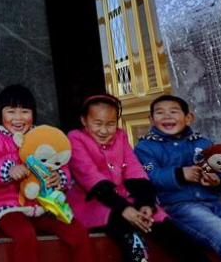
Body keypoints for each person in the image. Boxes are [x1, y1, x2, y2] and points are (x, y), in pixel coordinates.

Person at [67, 94, 211, 262]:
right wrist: (125, 209)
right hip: (93, 201)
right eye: (97, 123)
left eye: (110, 124)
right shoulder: (75, 138)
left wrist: (146, 203)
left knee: (165, 226)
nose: (104, 130)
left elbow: (134, 170)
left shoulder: (120, 137)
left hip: (125, 198)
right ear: (84, 120)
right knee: (126, 231)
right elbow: (89, 176)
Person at [0, 84, 95, 262]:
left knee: (78, 231)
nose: (18, 118)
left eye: (25, 111)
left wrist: (59, 178)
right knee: (25, 234)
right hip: (7, 206)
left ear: (33, 114)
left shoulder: (41, 136)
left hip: (42, 206)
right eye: (11, 111)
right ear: (0, 113)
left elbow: (61, 164)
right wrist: (8, 169)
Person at [134, 94, 221, 262]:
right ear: (151, 119)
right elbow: (149, 176)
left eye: (174, 111)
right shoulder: (145, 147)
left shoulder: (203, 144)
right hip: (182, 208)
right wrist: (180, 174)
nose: (167, 116)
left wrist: (217, 180)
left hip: (216, 206)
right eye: (160, 113)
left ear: (188, 118)